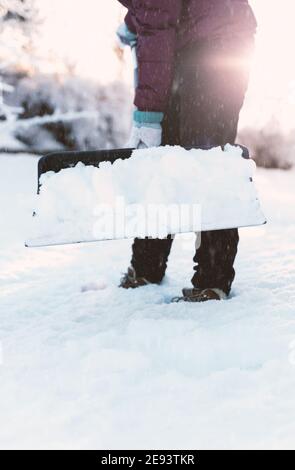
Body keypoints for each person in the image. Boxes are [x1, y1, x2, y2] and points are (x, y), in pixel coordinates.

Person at [117, 0, 257, 302]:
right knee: (192, 155)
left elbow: (157, 16)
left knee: (200, 158)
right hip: (221, 38)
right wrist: (133, 22)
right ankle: (151, 267)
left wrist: (148, 113)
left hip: (209, 46)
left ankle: (208, 279)